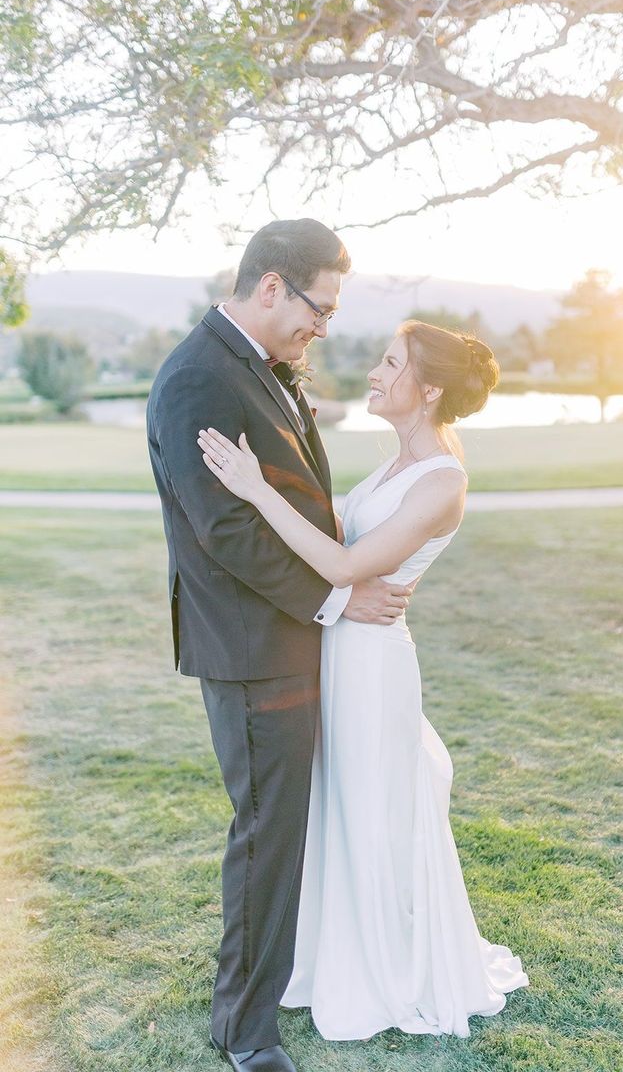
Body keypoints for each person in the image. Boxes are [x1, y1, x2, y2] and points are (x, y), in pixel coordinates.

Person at [197, 318, 529, 1042]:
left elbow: (346, 566)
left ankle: (385, 964)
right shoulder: (396, 463)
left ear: (429, 387)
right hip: (343, 648)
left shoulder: (443, 478)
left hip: (375, 664)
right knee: (338, 802)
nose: (375, 373)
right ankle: (328, 951)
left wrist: (255, 488)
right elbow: (342, 534)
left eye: (389, 363)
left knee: (374, 809)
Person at [146, 219, 415, 1072]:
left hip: (292, 637)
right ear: (270, 286)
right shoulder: (196, 380)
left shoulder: (260, 369)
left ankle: (281, 982)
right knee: (267, 832)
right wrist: (340, 592)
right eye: (319, 308)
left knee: (290, 825)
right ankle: (245, 1032)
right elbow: (228, 531)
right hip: (253, 647)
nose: (324, 327)